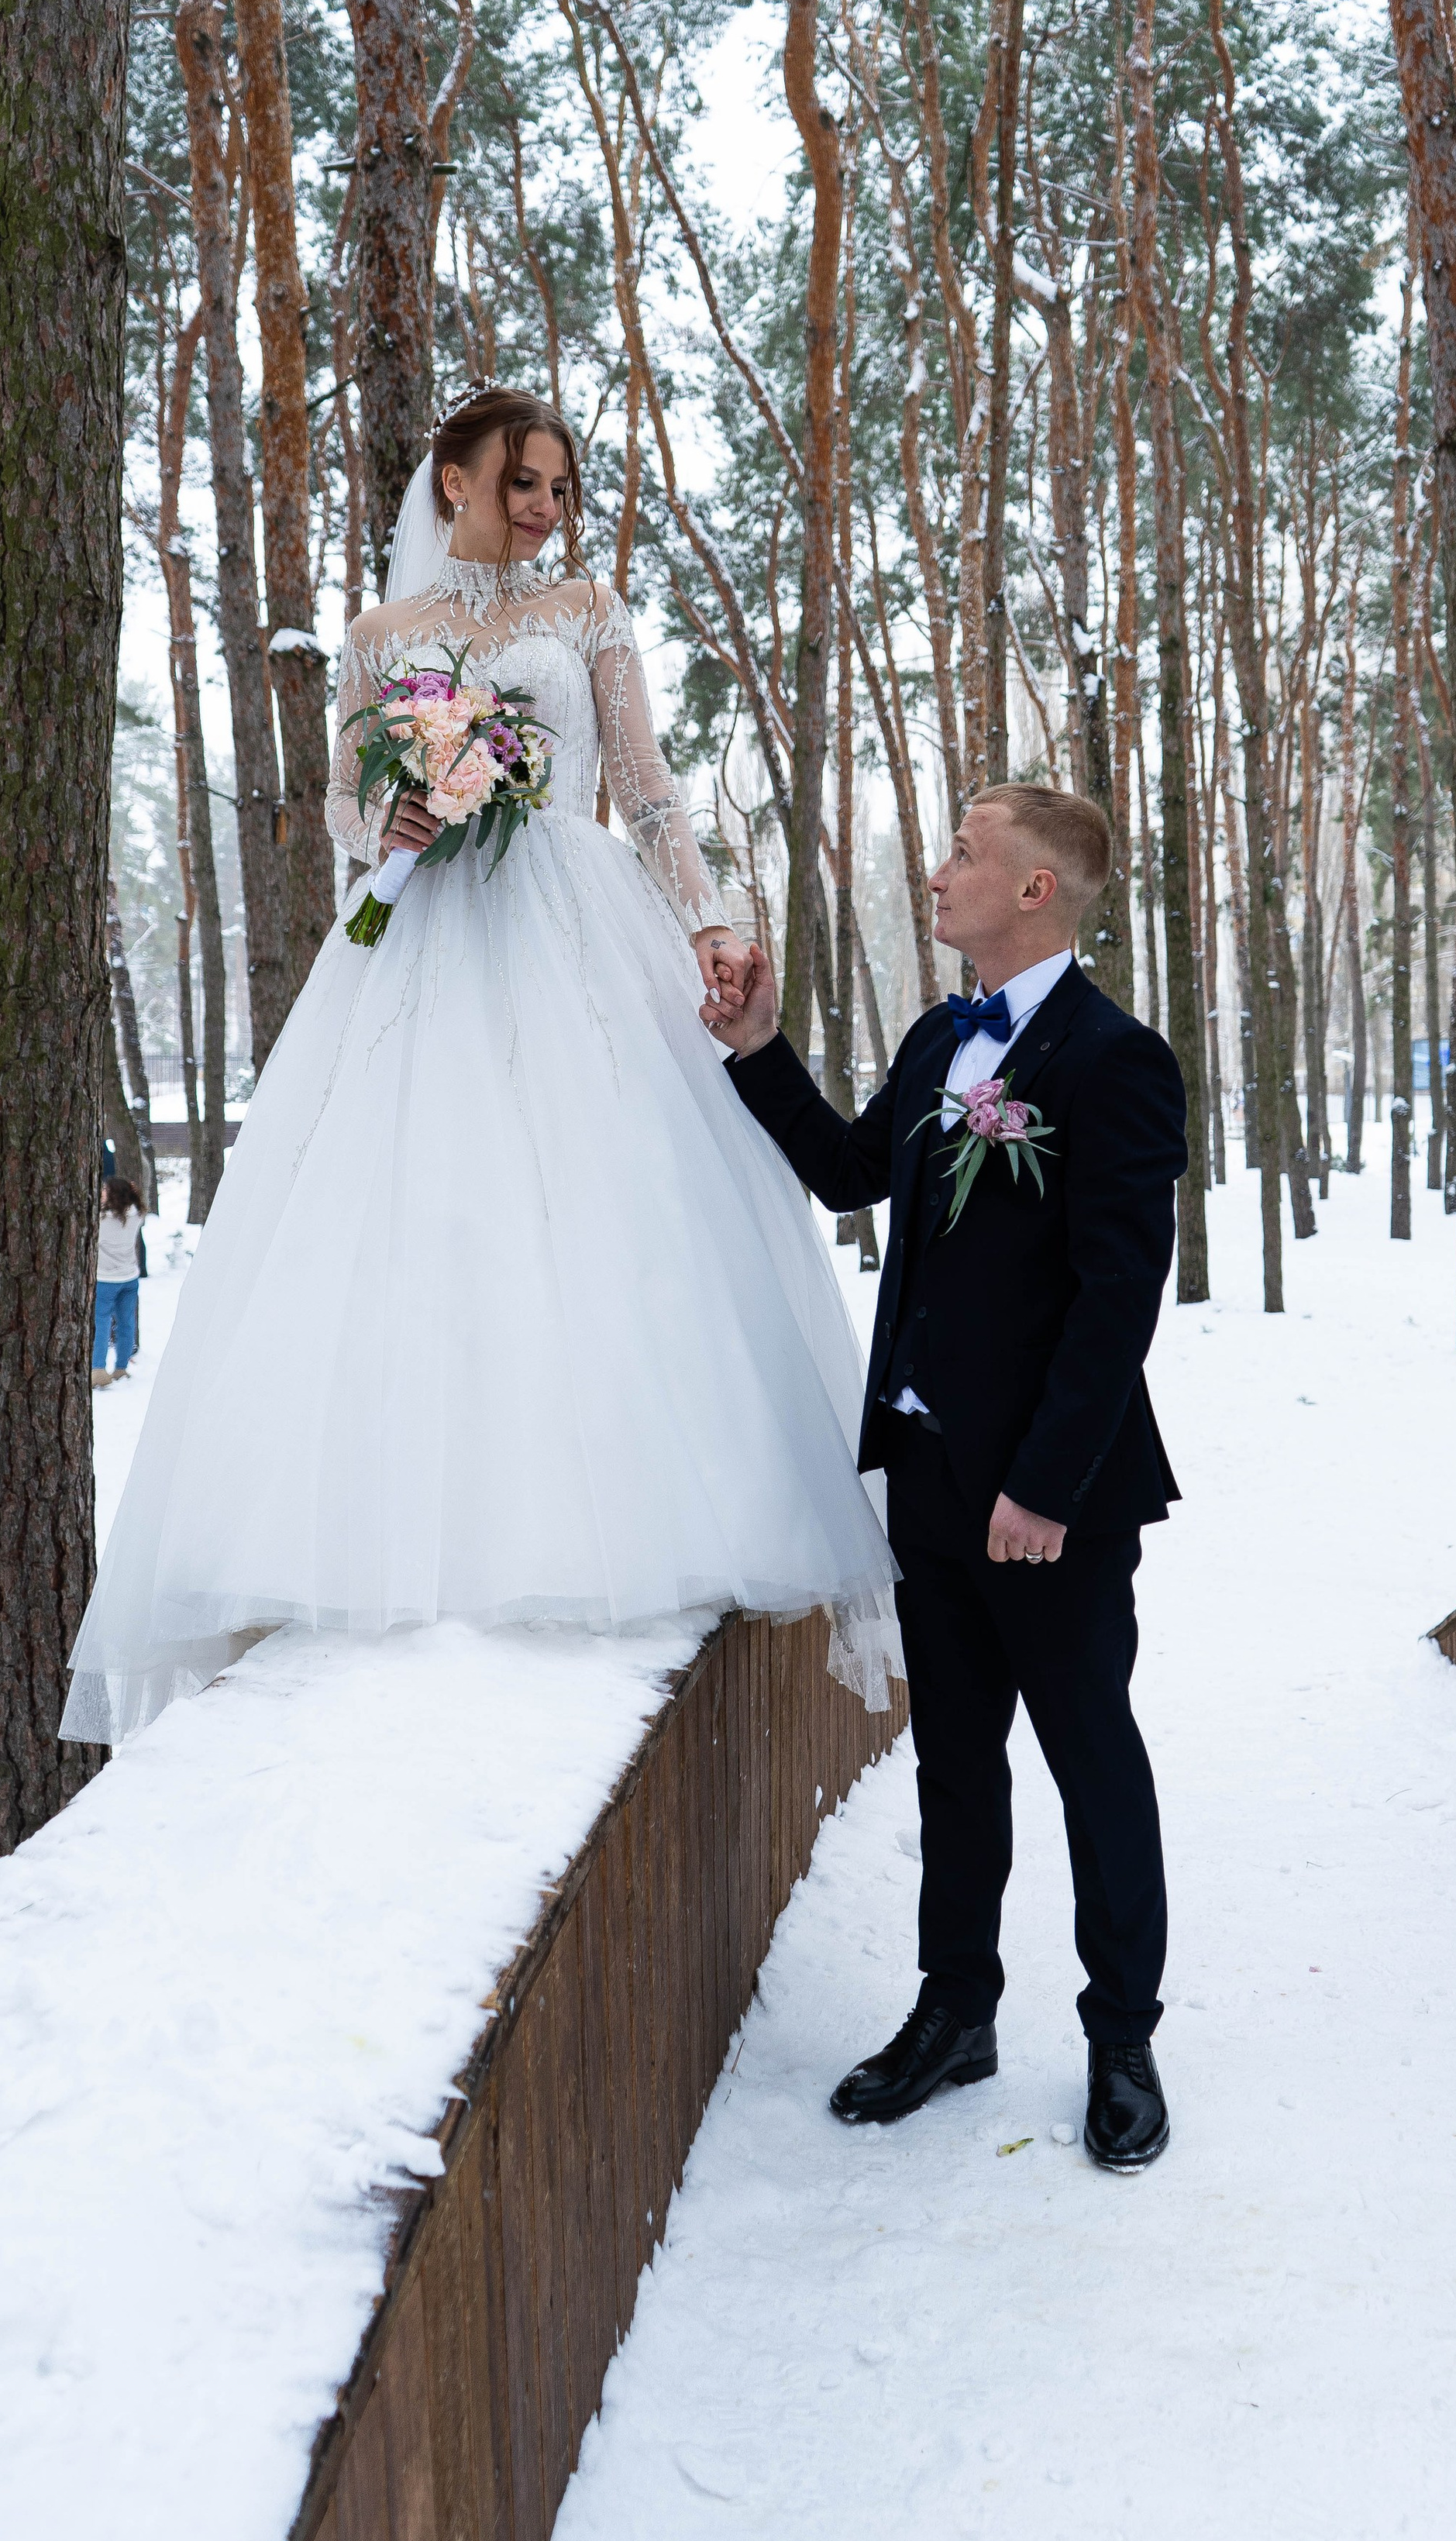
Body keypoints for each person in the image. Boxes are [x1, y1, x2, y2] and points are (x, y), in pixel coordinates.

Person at [61, 386, 900, 1744]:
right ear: (450, 478)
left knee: (599, 1195)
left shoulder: (586, 614)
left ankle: (616, 1521)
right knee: (412, 1202)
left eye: (561, 489)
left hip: (577, 922)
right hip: (420, 929)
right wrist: (387, 812)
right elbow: (339, 801)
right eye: (522, 482)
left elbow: (647, 782)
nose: (545, 511)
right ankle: (395, 1533)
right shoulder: (381, 638)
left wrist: (707, 918)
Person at [706, 786, 1187, 2174]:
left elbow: (1116, 1302)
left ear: (1037, 889)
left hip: (1055, 1502)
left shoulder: (1116, 1061)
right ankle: (954, 2011)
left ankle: (1122, 2040)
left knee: (1092, 1758)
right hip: (923, 1474)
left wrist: (1041, 1488)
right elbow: (856, 1176)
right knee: (954, 1762)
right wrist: (756, 1049)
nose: (939, 869)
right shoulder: (935, 1040)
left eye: (964, 853)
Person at [92, 1175, 145, 1389]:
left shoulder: (102, 1219)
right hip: (130, 1277)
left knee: (102, 1323)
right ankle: (121, 1367)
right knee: (126, 1323)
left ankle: (97, 1369)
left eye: (105, 1190)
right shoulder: (138, 1215)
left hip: (105, 1279)